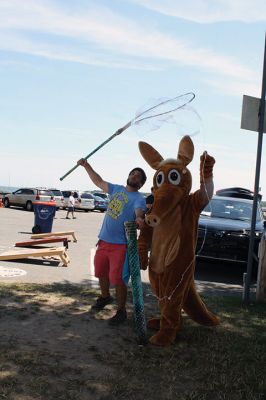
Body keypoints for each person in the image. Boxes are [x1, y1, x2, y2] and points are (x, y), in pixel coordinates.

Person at [77, 158, 147, 325]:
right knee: (100, 272)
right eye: (133, 173)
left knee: (118, 279)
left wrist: (139, 219)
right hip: (103, 241)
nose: (134, 176)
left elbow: (139, 213)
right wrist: (86, 165)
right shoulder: (116, 189)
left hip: (121, 246)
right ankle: (105, 297)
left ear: (141, 183)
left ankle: (121, 311)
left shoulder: (139, 198)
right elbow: (98, 180)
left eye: (138, 177)